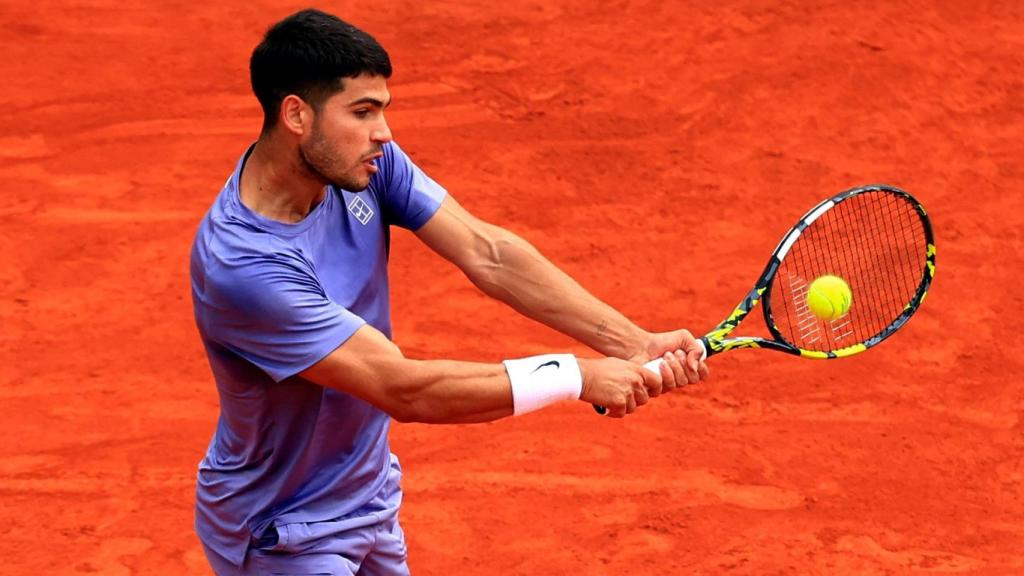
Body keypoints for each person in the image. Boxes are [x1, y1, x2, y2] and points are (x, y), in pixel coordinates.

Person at [190, 8, 709, 575]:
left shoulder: (364, 165)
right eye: (362, 112)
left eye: (382, 110)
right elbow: (403, 389)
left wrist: (632, 342)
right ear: (296, 114)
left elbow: (488, 252)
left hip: (367, 501)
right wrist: (576, 376)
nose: (383, 132)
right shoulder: (244, 267)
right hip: (281, 533)